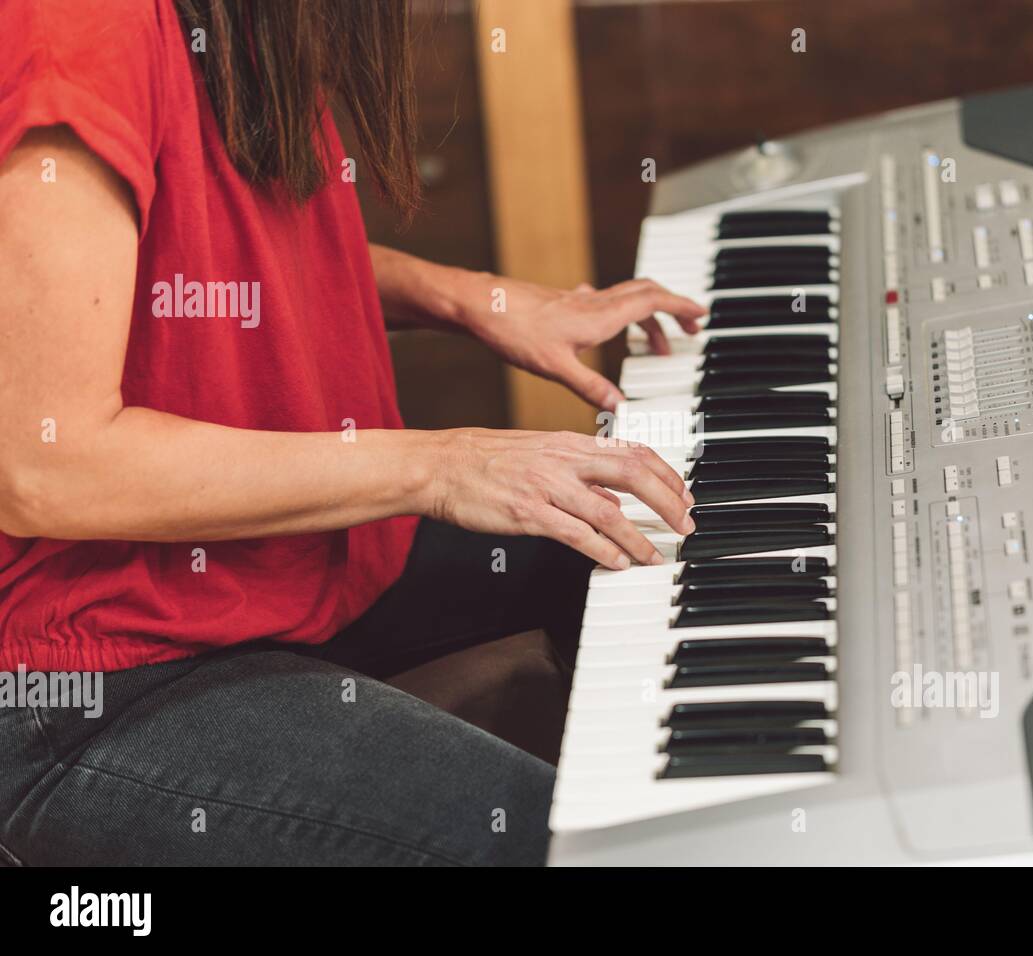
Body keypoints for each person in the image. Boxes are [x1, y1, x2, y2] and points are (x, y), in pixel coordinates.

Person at [0, 0, 703, 866]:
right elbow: (44, 464)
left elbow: (193, 242)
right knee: (558, 844)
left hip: (272, 563)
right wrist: (438, 463)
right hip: (88, 677)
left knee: (649, 556)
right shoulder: (80, 26)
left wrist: (467, 298)